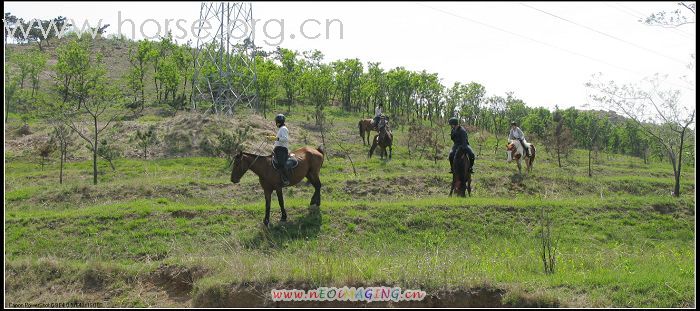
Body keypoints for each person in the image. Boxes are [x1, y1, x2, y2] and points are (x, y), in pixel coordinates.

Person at [268, 114, 290, 186]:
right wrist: (273, 138)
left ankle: (286, 179)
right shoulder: (281, 129)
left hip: (282, 150)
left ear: (278, 122)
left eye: (276, 122)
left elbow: (285, 139)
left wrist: (275, 138)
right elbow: (279, 139)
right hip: (278, 149)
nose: (276, 123)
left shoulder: (283, 128)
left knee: (281, 163)